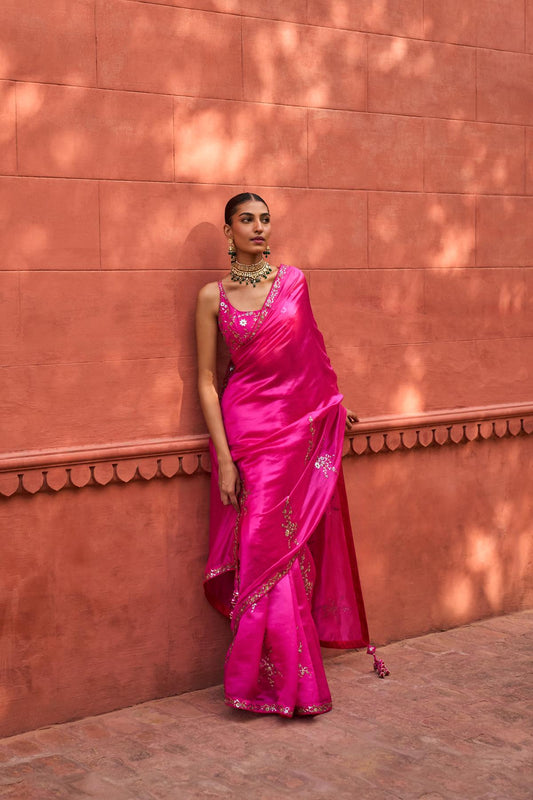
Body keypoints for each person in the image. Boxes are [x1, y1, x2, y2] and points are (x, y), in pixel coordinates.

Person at [195, 192, 388, 718]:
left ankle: (282, 682)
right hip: (246, 432)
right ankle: (270, 681)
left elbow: (311, 355)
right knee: (262, 545)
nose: (258, 227)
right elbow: (208, 380)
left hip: (293, 432)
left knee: (283, 547)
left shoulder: (293, 282)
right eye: (246, 220)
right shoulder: (212, 296)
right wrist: (225, 459)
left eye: (265, 219)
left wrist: (330, 406)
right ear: (229, 230)